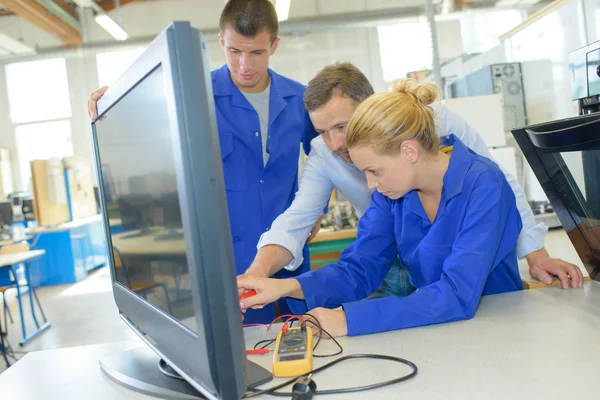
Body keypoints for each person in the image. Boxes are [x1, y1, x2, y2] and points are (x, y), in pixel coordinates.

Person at [241, 62, 584, 294]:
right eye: (323, 131)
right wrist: (258, 273)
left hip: (463, 255)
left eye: (342, 127)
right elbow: (297, 220)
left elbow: (499, 184)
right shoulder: (323, 154)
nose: (337, 144)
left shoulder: (429, 119)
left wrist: (536, 255)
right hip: (387, 255)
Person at [88, 0, 320, 323]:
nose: (244, 65)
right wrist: (112, 102)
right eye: (235, 51)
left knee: (297, 349)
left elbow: (327, 160)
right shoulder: (194, 96)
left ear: (274, 46)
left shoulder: (300, 100)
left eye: (256, 53)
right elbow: (143, 119)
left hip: (289, 261)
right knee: (243, 359)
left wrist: (318, 211)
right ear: (221, 41)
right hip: (229, 267)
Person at [237, 79, 524, 337]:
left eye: (375, 171)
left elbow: (458, 294)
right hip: (436, 330)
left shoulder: (483, 183)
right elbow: (360, 268)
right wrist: (285, 287)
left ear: (409, 151)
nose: (371, 185)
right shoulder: (393, 192)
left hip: (496, 330)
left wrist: (347, 320)